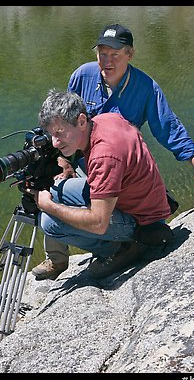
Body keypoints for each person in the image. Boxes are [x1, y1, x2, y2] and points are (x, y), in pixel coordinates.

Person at [31, 23, 194, 280]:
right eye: (102, 53)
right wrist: (63, 161)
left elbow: (170, 129)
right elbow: (63, 123)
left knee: (72, 214)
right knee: (49, 184)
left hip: (119, 164)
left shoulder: (145, 88)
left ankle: (120, 245)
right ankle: (57, 259)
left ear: (130, 54)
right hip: (85, 158)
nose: (107, 61)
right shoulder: (83, 76)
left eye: (115, 54)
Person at [27, 89, 173, 280]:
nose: (54, 143)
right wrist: (61, 160)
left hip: (143, 221)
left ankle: (122, 247)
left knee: (49, 222)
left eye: (59, 134)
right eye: (50, 135)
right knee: (55, 189)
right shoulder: (105, 119)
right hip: (136, 199)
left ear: (81, 121)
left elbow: (98, 223)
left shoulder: (104, 154)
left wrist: (50, 207)